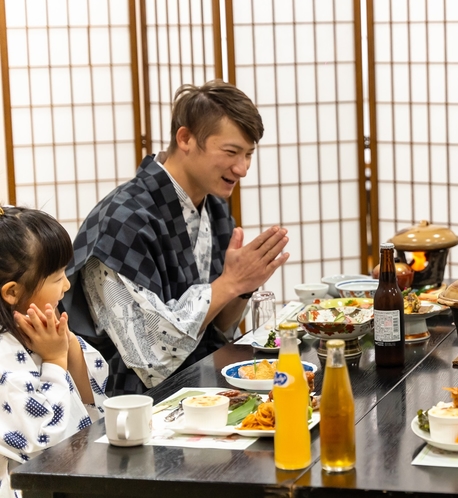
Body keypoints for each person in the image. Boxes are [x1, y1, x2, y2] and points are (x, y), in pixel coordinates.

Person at [63, 80, 290, 396]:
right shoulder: (122, 220)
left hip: (205, 384)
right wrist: (228, 284)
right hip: (133, 404)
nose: (243, 169)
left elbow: (218, 328)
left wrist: (242, 286)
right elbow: (151, 353)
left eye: (249, 154)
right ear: (185, 138)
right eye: (231, 152)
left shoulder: (215, 210)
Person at [0, 206, 108, 498]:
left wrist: (68, 347)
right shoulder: (4, 357)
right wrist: (55, 361)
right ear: (12, 292)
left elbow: (92, 405)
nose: (67, 285)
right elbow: (44, 437)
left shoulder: (41, 334)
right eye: (58, 276)